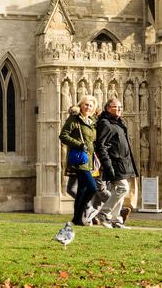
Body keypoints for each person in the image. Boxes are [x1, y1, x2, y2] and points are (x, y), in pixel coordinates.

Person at [94, 98, 138, 228]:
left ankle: (116, 220)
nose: (119, 109)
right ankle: (103, 213)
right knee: (123, 188)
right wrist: (107, 165)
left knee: (117, 190)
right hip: (114, 163)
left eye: (120, 107)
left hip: (122, 163)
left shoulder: (118, 123)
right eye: (115, 107)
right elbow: (101, 146)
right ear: (108, 108)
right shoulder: (105, 123)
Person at [59, 96, 98, 226]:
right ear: (81, 105)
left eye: (91, 105)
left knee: (81, 190)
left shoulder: (92, 121)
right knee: (92, 187)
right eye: (86, 104)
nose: (88, 107)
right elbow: (63, 135)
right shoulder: (74, 119)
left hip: (89, 159)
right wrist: (79, 144)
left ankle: (77, 219)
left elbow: (92, 140)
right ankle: (89, 209)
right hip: (79, 160)